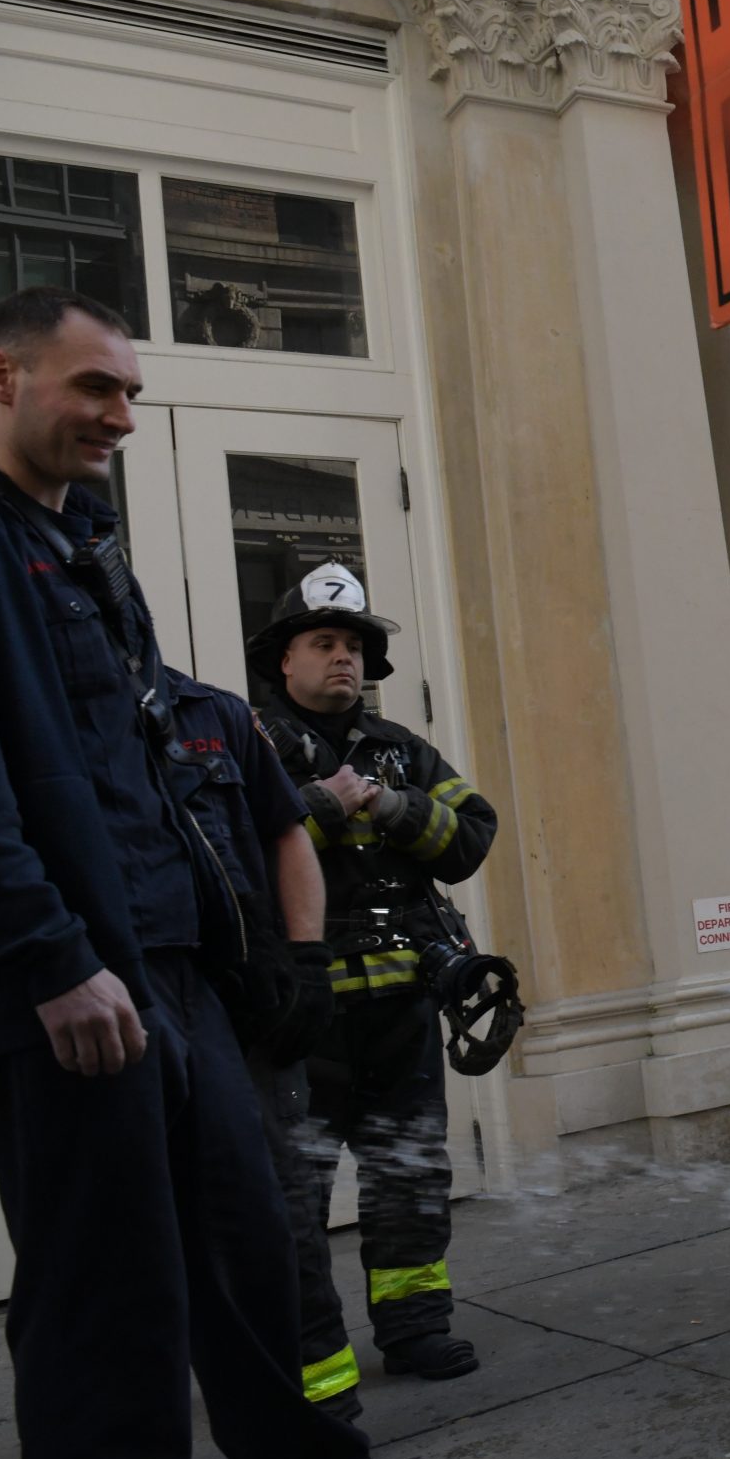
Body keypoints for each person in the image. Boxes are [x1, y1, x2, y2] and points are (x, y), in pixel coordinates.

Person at [0, 286, 477, 1459]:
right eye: (92, 386)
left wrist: (261, 959)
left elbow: (147, 760)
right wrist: (53, 961)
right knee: (108, 1309)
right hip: (54, 987)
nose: (118, 414)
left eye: (129, 394)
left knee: (251, 1259)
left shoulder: (87, 550)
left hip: (172, 972)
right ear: (0, 377)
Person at [250, 562, 499, 1383]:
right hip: (297, 1017)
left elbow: (470, 839)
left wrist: (393, 806)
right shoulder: (246, 746)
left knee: (409, 1173)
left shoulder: (403, 752)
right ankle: (309, 1359)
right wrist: (321, 803)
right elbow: (232, 855)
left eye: (354, 644)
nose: (343, 658)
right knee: (295, 1198)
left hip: (398, 1012)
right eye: (323, 642)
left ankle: (416, 1326)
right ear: (285, 657)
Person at [168, 666, 364, 1423]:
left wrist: (306, 965)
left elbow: (282, 833)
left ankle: (319, 1408)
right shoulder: (50, 718)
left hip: (247, 1009)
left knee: (281, 1204)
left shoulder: (213, 717)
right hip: (145, 1004)